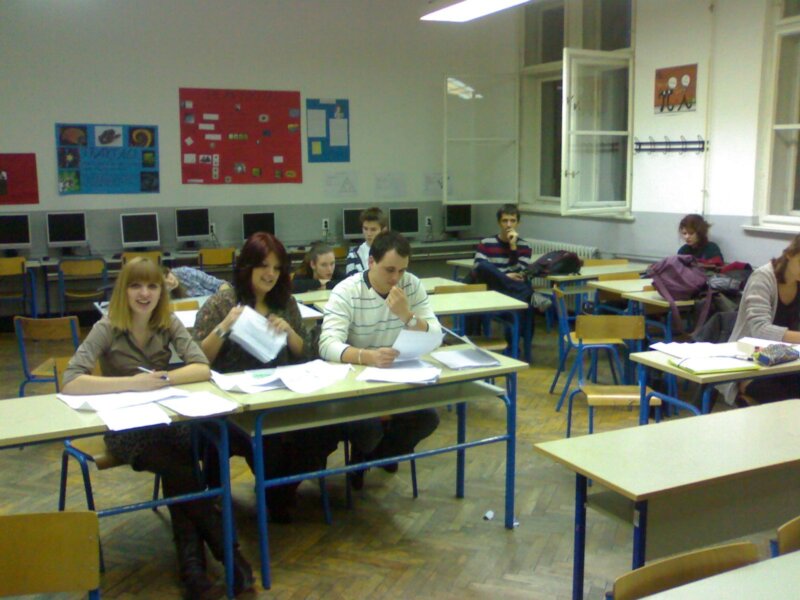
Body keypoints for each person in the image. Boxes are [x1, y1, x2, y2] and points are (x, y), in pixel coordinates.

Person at [61, 258, 253, 599]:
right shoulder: (107, 326)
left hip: (166, 421)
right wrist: (131, 384)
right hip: (127, 428)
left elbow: (201, 367)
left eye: (152, 286)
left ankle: (194, 572)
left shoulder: (167, 322)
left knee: (185, 465)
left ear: (161, 291)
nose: (144, 293)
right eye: (136, 286)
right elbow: (71, 381)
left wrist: (163, 379)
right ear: (123, 291)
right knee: (182, 468)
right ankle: (228, 555)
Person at [192, 232, 333, 521]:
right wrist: (225, 326)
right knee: (266, 439)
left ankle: (279, 492)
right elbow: (197, 360)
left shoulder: (285, 302)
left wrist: (289, 332)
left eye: (277, 268)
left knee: (321, 432)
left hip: (279, 393)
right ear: (248, 266)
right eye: (264, 266)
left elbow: (305, 353)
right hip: (234, 402)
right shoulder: (223, 303)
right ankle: (273, 495)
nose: (270, 274)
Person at [319, 230, 441, 488]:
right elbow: (327, 345)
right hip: (357, 383)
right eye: (389, 270)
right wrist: (367, 356)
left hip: (398, 379)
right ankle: (374, 454)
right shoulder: (347, 291)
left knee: (428, 418)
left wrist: (407, 316)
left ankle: (372, 457)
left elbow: (436, 335)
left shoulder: (411, 285)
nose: (396, 278)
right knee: (368, 426)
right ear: (371, 262)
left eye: (402, 270)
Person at [722, 234, 800, 406]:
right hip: (751, 363)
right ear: (790, 254)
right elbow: (760, 329)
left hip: (788, 361)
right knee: (788, 403)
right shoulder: (763, 277)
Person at [472, 203, 534, 305]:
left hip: (512, 289)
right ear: (499, 223)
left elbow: (518, 274)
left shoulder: (525, 246)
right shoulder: (486, 243)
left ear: (518, 223)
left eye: (513, 221)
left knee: (523, 284)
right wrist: (505, 276)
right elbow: (478, 269)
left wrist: (513, 246)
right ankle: (532, 296)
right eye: (505, 221)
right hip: (492, 287)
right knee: (483, 265)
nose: (509, 225)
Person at [345, 206, 387, 277]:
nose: (368, 233)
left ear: (383, 230)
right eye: (365, 229)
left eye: (373, 229)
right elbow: (351, 280)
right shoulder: (354, 255)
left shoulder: (391, 252)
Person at [164, 266, 231, 299]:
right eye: (165, 284)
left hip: (212, 304)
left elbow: (220, 284)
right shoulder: (161, 297)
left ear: (168, 270)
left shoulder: (185, 272)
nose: (171, 282)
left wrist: (221, 299)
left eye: (167, 276)